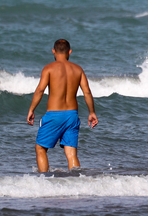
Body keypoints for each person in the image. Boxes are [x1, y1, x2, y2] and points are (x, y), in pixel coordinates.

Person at [27, 39, 98, 172]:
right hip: (72, 116)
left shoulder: (49, 68)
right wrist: (92, 112)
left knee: (40, 148)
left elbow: (40, 90)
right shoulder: (78, 69)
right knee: (71, 154)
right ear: (69, 51)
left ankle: (44, 180)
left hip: (54, 115)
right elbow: (87, 92)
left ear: (53, 51)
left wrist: (31, 109)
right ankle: (76, 181)